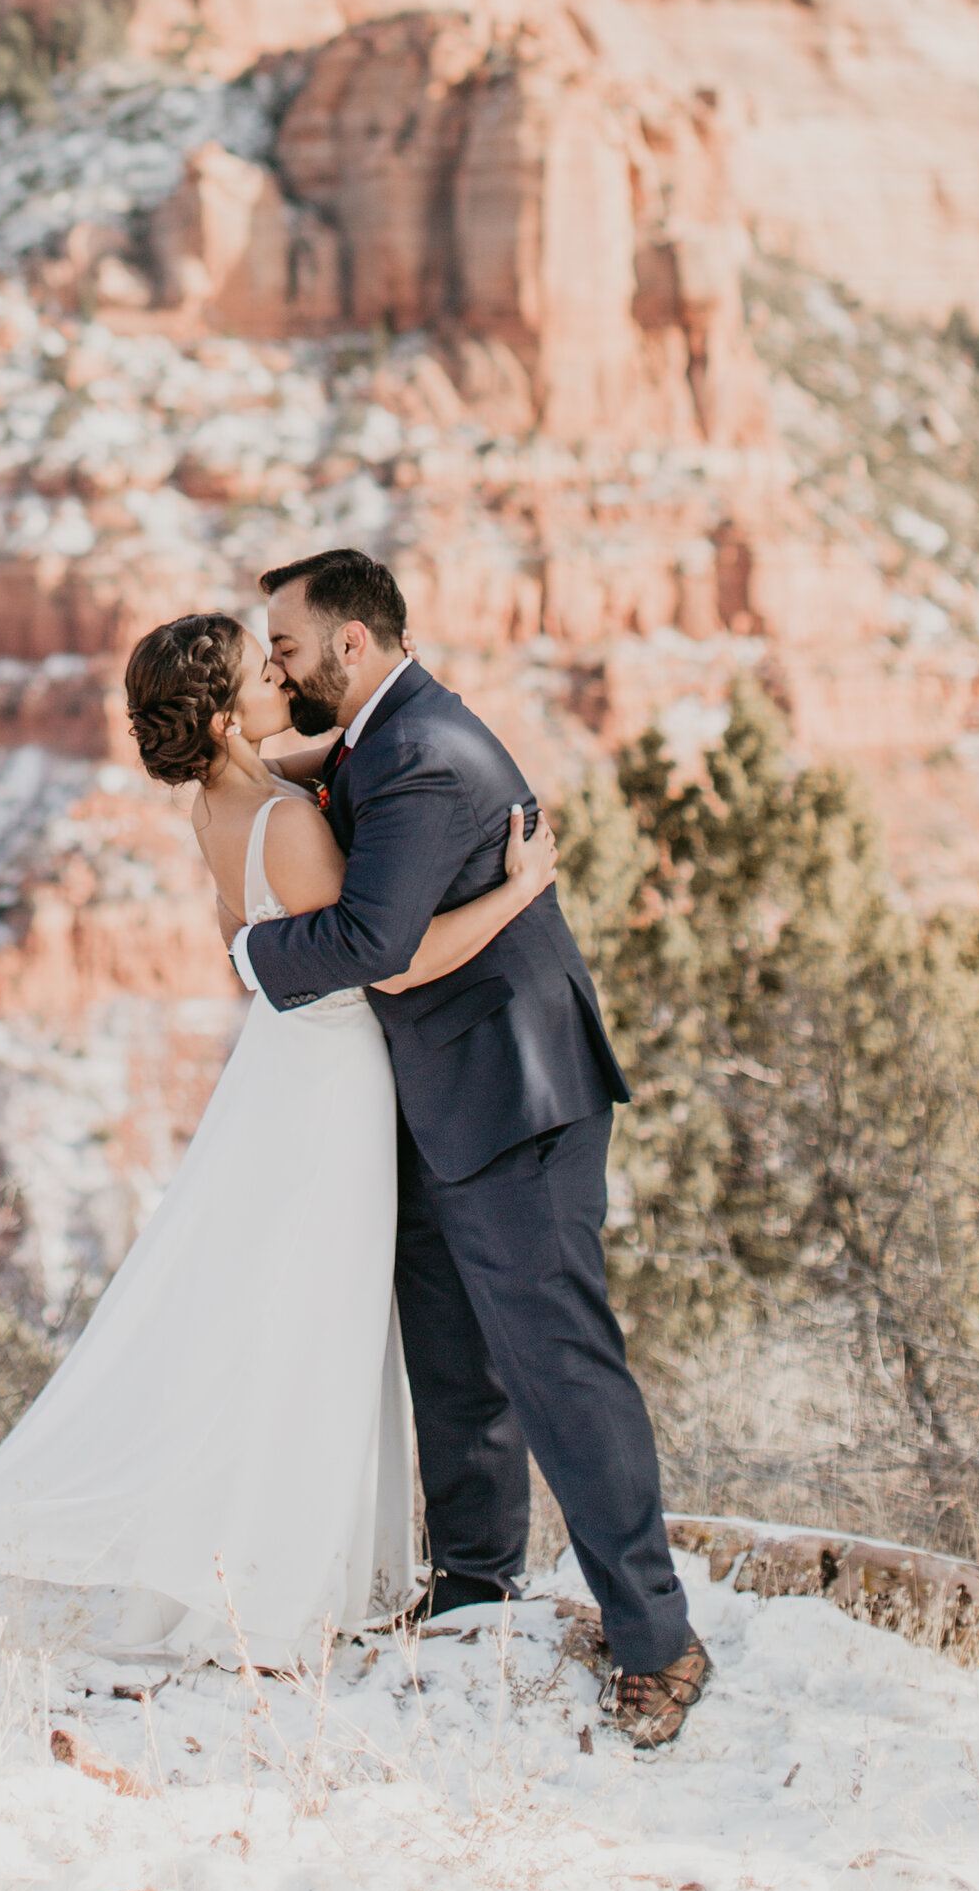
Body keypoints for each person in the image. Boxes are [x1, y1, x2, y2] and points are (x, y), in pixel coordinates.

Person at [0, 612, 560, 1668]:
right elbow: (383, 964)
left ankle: (282, 1551)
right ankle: (287, 1569)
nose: (282, 676)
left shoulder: (221, 807)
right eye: (260, 671)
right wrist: (520, 889)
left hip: (283, 1071)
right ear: (226, 715)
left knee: (294, 1310)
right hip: (334, 1080)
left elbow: (262, 897)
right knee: (320, 1314)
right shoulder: (294, 826)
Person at [233, 547, 712, 1751]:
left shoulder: (424, 754)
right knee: (453, 1355)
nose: (276, 669)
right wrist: (248, 757)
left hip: (517, 1100)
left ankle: (659, 1642)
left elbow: (368, 942)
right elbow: (325, 770)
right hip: (439, 1096)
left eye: (285, 648)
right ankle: (478, 1588)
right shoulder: (375, 737)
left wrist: (244, 955)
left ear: (351, 645)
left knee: (558, 1366)